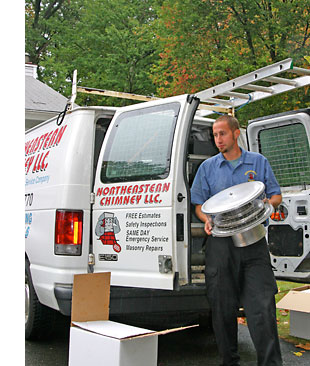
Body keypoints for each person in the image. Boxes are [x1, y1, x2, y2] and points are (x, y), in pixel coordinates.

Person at [191, 114, 283, 366]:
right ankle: (229, 362)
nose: (217, 139)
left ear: (235, 133)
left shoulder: (258, 162)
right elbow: (199, 204)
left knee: (262, 306)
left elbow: (276, 195)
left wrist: (267, 203)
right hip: (221, 247)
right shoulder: (207, 168)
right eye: (214, 135)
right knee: (222, 309)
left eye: (221, 134)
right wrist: (205, 219)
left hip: (254, 245)